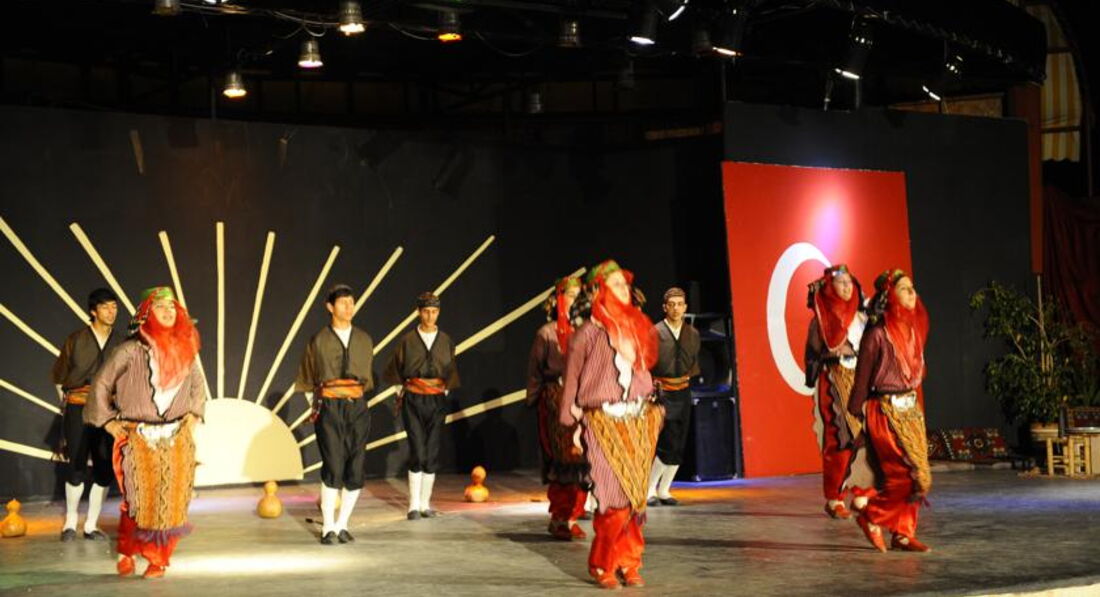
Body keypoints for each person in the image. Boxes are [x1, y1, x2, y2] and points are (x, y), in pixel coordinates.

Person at [85, 286, 205, 578]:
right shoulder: (128, 351)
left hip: (176, 436)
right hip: (138, 436)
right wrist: (108, 422)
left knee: (172, 501)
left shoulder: (184, 351)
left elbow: (197, 385)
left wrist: (194, 415)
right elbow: (101, 385)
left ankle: (158, 559)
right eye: (160, 307)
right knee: (137, 500)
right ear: (146, 315)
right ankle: (127, 551)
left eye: (172, 307)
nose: (168, 311)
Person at [560, 260, 662, 589]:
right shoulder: (586, 335)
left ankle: (629, 561)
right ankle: (602, 563)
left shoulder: (635, 328)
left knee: (636, 501)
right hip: (602, 422)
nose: (624, 289)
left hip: (638, 421)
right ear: (599, 291)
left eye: (625, 284)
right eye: (616, 284)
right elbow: (571, 382)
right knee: (613, 499)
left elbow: (643, 372)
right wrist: (571, 426)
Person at [848, 269, 933, 553]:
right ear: (890, 296)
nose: (912, 293)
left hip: (909, 410)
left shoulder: (913, 331)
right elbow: (862, 380)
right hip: (884, 411)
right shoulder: (877, 335)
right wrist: (856, 415)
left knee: (921, 475)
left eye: (913, 287)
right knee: (906, 476)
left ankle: (903, 533)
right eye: (904, 288)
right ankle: (872, 515)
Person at [295, 285, 375, 545]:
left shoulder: (364, 339)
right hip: (329, 407)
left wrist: (356, 401)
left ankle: (342, 524)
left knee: (356, 467)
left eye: (352, 302)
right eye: (343, 303)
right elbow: (307, 377)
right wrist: (318, 404)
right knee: (333, 464)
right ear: (330, 307)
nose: (349, 307)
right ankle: (328, 527)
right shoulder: (318, 340)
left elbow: (367, 379)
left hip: (357, 407)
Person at [803, 265, 874, 519]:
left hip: (862, 380)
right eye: (840, 282)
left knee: (870, 436)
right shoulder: (822, 319)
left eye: (849, 282)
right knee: (842, 437)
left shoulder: (863, 317)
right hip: (836, 379)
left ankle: (863, 492)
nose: (846, 286)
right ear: (830, 288)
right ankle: (834, 497)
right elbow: (817, 349)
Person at [52, 288, 122, 541]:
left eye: (114, 307)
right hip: (78, 407)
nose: (111, 312)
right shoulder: (76, 340)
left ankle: (91, 525)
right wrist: (68, 406)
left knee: (104, 468)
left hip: (108, 411)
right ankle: (70, 521)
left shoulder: (121, 342)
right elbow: (59, 378)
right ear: (93, 311)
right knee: (76, 466)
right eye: (105, 307)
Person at [383, 292, 459, 520]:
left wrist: (443, 390)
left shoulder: (445, 340)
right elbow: (395, 369)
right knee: (417, 448)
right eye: (426, 311)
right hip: (413, 399)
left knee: (432, 450)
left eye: (434, 312)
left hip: (436, 400)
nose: (430, 316)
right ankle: (413, 505)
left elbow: (451, 370)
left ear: (439, 313)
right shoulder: (407, 340)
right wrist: (402, 391)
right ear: (418, 312)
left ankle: (425, 504)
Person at [526, 275, 589, 540]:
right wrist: (536, 399)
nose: (576, 301)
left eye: (579, 296)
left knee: (586, 460)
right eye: (571, 295)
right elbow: (535, 371)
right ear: (559, 300)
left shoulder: (589, 330)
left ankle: (573, 514)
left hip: (585, 399)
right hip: (557, 399)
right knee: (564, 460)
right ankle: (560, 517)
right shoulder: (547, 333)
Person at [646, 287, 700, 507]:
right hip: (662, 391)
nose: (676, 308)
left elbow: (693, 364)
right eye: (672, 304)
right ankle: (649, 489)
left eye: (680, 304)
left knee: (679, 441)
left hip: (683, 390)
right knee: (666, 441)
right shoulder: (655, 332)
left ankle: (664, 489)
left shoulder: (692, 333)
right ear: (665, 308)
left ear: (685, 307)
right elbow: (646, 363)